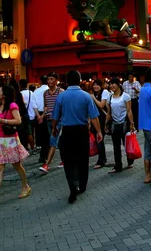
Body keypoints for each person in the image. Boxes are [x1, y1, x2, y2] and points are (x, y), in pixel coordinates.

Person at [52, 70, 103, 203]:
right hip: (82, 132)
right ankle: (82, 185)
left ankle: (73, 186)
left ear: (67, 81)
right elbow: (94, 117)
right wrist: (99, 132)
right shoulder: (86, 96)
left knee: (68, 161)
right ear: (80, 81)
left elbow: (55, 117)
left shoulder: (61, 97)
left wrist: (53, 129)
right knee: (82, 159)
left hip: (67, 131)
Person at [0, 85, 31, 209]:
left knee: (16, 165)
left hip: (11, 140)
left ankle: (25, 186)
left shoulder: (12, 106)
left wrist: (3, 121)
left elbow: (18, 120)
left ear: (4, 94)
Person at [105, 77, 136, 173]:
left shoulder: (125, 96)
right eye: (110, 84)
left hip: (125, 123)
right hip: (115, 124)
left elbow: (129, 110)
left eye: (113, 84)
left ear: (118, 85)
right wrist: (105, 124)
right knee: (116, 146)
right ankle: (118, 166)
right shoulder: (110, 97)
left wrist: (131, 123)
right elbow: (109, 112)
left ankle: (130, 161)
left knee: (126, 144)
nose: (111, 86)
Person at [39, 73, 63, 174]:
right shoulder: (45, 93)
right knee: (58, 141)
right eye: (48, 79)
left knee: (53, 142)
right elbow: (46, 106)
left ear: (56, 80)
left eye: (52, 79)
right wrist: (42, 115)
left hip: (59, 120)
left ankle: (47, 164)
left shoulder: (61, 92)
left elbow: (64, 106)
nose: (49, 82)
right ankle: (64, 160)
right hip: (49, 120)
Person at [89, 79, 109, 169]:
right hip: (95, 119)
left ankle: (101, 160)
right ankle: (102, 159)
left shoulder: (104, 92)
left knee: (99, 139)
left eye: (97, 85)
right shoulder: (95, 94)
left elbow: (101, 105)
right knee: (98, 140)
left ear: (101, 86)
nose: (95, 86)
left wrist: (93, 98)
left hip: (103, 119)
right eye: (94, 85)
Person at [31, 75, 49, 163]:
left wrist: (38, 116)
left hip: (38, 115)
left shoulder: (36, 91)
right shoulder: (50, 90)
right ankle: (45, 155)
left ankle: (43, 155)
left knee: (41, 136)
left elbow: (34, 105)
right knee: (47, 135)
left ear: (40, 81)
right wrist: (43, 115)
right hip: (48, 115)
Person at [19, 79, 36, 153]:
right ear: (27, 85)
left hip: (24, 116)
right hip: (32, 115)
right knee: (31, 132)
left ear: (20, 85)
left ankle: (26, 147)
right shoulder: (31, 93)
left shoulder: (20, 94)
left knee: (25, 133)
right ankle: (32, 147)